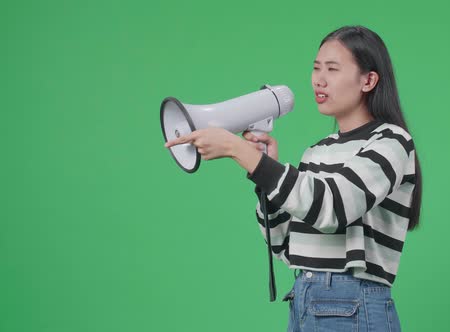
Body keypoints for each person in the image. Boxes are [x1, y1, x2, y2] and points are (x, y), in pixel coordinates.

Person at [165, 25, 422, 332]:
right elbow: (283, 243)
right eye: (316, 68)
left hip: (352, 302)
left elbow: (333, 208)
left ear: (368, 80)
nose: (319, 79)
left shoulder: (391, 141)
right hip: (303, 298)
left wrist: (243, 153)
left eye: (332, 69)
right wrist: (263, 173)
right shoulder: (316, 152)